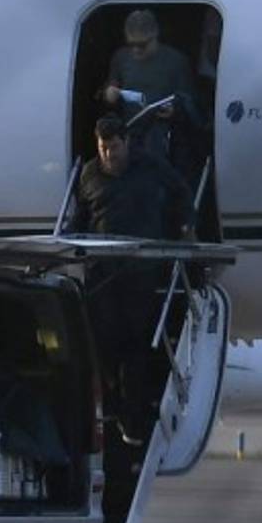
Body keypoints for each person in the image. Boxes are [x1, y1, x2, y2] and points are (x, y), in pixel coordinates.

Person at [69, 114, 194, 447]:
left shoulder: (150, 167)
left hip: (139, 270)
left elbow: (181, 193)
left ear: (126, 142)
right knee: (103, 344)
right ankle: (110, 405)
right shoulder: (90, 174)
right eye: (103, 148)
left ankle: (133, 417)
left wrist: (183, 228)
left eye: (113, 147)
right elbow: (80, 216)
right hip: (102, 272)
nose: (109, 155)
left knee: (137, 345)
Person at [100, 9, 206, 184]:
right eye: (131, 44)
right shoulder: (121, 58)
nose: (136, 50)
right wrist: (109, 94)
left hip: (165, 138)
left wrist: (175, 110)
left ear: (155, 36)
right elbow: (110, 88)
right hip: (130, 134)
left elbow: (192, 101)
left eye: (142, 45)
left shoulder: (176, 61)